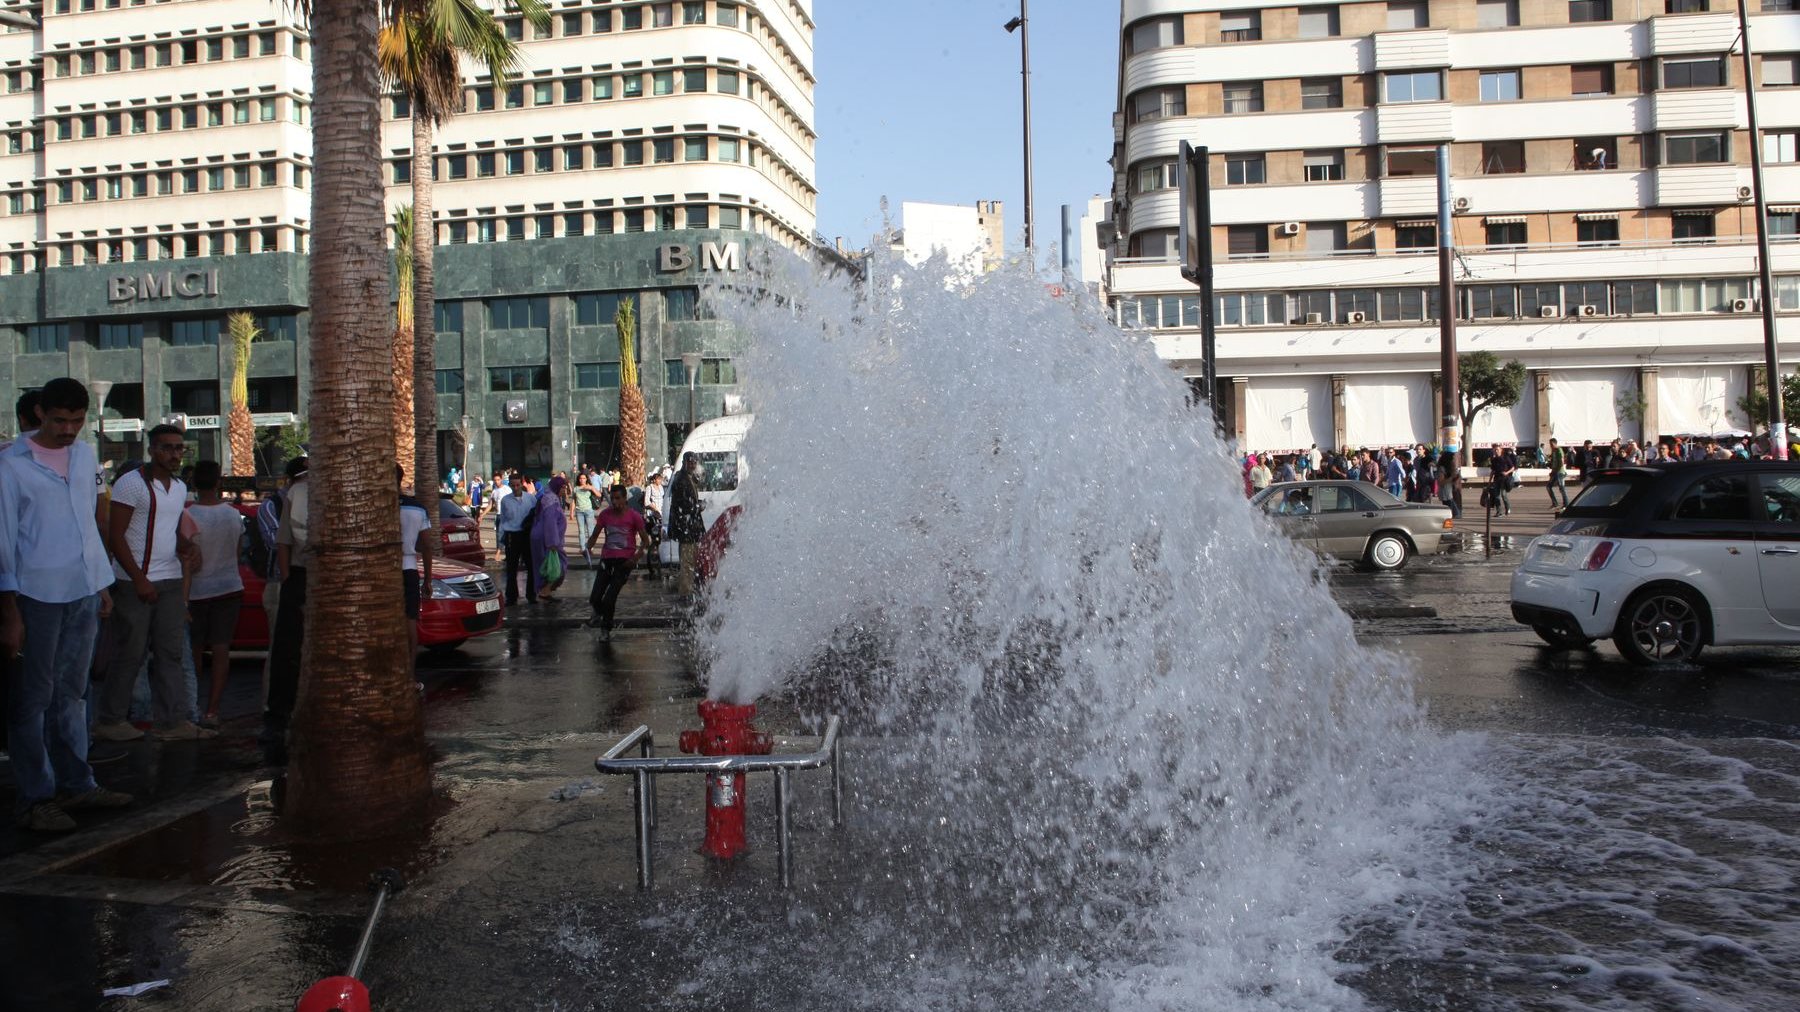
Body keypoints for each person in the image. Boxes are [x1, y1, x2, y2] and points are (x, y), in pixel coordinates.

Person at [0, 379, 133, 832]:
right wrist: (9, 610)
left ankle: (78, 784)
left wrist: (101, 584)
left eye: (77, 421)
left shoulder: (84, 456)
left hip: (83, 591)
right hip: (35, 596)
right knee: (31, 701)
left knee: (72, 696)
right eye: (60, 420)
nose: (69, 429)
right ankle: (36, 798)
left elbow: (88, 524)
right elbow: (3, 542)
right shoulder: (10, 466)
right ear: (40, 413)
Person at [96, 424, 210, 742]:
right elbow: (115, 536)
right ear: (152, 450)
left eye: (179, 448)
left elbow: (166, 531)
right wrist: (138, 578)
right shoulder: (131, 484)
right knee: (130, 653)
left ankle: (172, 721)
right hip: (136, 581)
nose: (175, 454)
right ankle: (111, 718)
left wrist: (188, 546)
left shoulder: (177, 487)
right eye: (167, 447)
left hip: (169, 578)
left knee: (170, 653)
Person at [182, 461, 244, 728]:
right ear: (219, 482)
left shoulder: (187, 515)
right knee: (221, 650)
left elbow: (185, 559)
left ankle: (193, 706)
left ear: (193, 483)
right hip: (229, 586)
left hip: (197, 591)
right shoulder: (232, 515)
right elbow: (238, 552)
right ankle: (213, 710)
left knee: (194, 652)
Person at [264, 456, 311, 764]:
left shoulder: (298, 492)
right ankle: (281, 712)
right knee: (287, 649)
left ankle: (282, 712)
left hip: (301, 575)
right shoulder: (296, 494)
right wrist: (288, 578)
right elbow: (282, 542)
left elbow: (283, 543)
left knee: (288, 649)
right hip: (300, 575)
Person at [584, 483, 649, 642]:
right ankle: (599, 613)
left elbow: (646, 541)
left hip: (624, 562)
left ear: (625, 498)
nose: (615, 502)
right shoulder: (605, 515)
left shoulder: (634, 516)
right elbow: (594, 535)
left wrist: (635, 558)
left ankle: (605, 628)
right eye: (612, 498)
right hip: (607, 559)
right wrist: (588, 547)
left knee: (609, 598)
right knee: (595, 597)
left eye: (618, 498)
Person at [398, 465, 434, 659]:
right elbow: (427, 546)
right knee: (411, 618)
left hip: (384, 570)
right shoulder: (417, 508)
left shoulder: (374, 506)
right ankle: (410, 674)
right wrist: (428, 579)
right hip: (409, 567)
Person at [668, 452, 707, 597]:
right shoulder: (682, 480)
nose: (692, 464)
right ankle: (685, 592)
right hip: (687, 528)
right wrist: (699, 507)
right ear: (684, 462)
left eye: (694, 462)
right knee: (688, 562)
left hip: (689, 528)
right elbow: (684, 506)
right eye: (690, 462)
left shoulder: (687, 477)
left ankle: (684, 587)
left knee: (689, 560)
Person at [498, 473, 538, 605]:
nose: (515, 488)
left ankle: (531, 595)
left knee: (531, 566)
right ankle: (511, 597)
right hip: (512, 535)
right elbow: (503, 520)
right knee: (511, 568)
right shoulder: (505, 500)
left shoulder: (531, 499)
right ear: (509, 485)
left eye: (518, 485)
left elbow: (536, 517)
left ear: (522, 484)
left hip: (527, 535)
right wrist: (501, 541)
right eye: (513, 485)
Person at [531, 475, 568, 600]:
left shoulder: (550, 498)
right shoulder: (551, 501)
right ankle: (544, 591)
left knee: (548, 566)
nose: (564, 490)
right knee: (555, 567)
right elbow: (550, 523)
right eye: (562, 487)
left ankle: (545, 591)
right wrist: (552, 543)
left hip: (544, 538)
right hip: (548, 540)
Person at [572, 472, 598, 568]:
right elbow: (574, 501)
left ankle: (590, 547)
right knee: (581, 531)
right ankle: (583, 548)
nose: (582, 480)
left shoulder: (589, 487)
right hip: (579, 511)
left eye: (584, 478)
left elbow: (599, 495)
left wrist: (591, 488)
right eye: (580, 478)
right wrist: (571, 512)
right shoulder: (576, 489)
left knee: (590, 530)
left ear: (586, 479)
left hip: (588, 511)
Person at [1488, 444, 1516, 517]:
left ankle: (1507, 508)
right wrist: (1489, 481)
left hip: (1504, 479)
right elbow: (1493, 471)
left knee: (1503, 495)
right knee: (1496, 496)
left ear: (1501, 450)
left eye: (1497, 449)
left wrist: (1506, 473)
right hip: (1496, 479)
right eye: (1495, 450)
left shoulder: (1505, 458)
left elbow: (1513, 468)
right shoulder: (1494, 460)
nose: (1496, 451)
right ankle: (1499, 511)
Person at [1546, 438, 1569, 510]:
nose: (1551, 446)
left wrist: (1556, 471)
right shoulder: (1554, 452)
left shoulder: (1559, 450)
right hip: (1555, 472)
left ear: (1555, 443)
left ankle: (1566, 504)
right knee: (1548, 486)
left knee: (1562, 488)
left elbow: (1561, 462)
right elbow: (1554, 463)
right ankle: (1555, 503)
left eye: (1552, 444)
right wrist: (1552, 472)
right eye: (1550, 445)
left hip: (1560, 473)